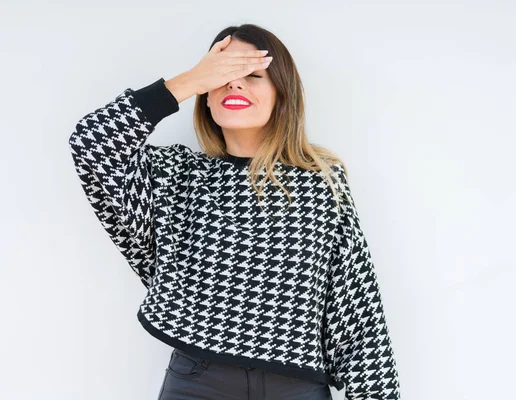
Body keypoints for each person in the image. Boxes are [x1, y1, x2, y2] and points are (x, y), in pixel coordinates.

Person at [68, 23, 401, 399]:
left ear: (281, 95)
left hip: (297, 387)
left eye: (253, 75)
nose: (235, 84)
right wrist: (188, 80)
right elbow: (91, 143)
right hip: (198, 382)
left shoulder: (321, 181)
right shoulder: (178, 177)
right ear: (205, 97)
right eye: (224, 75)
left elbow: (356, 305)